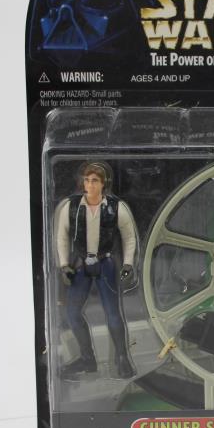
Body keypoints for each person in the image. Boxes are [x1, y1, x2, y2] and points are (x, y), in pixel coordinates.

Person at [54, 162, 137, 378]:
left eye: (95, 181)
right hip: (80, 264)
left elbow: (129, 238)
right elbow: (62, 237)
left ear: (103, 183)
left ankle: (122, 358)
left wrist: (128, 264)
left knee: (113, 313)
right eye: (87, 180)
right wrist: (64, 265)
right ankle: (87, 359)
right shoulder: (70, 207)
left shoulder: (116, 207)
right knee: (72, 313)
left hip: (105, 263)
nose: (90, 185)